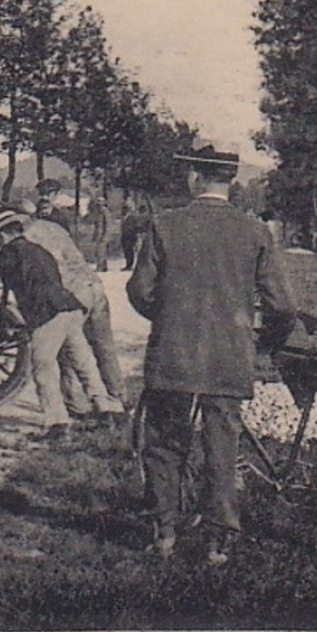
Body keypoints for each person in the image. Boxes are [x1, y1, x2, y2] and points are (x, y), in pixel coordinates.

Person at [126, 145, 295, 562]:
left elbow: (139, 291)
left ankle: (164, 533)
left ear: (194, 178)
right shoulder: (255, 231)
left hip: (173, 354)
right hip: (229, 356)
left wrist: (165, 317)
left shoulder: (165, 225)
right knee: (223, 447)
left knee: (164, 443)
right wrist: (265, 342)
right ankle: (218, 541)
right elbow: (284, 306)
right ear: (230, 181)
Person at [0, 213, 124, 440]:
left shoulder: (13, 250)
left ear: (7, 234)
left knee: (43, 367)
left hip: (49, 315)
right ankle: (106, 410)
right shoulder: (38, 250)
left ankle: (57, 424)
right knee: (83, 363)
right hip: (70, 308)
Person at [18, 210, 126, 421]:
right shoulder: (55, 228)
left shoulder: (29, 236)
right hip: (93, 285)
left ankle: (76, 407)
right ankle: (116, 401)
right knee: (103, 346)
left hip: (73, 293)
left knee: (66, 349)